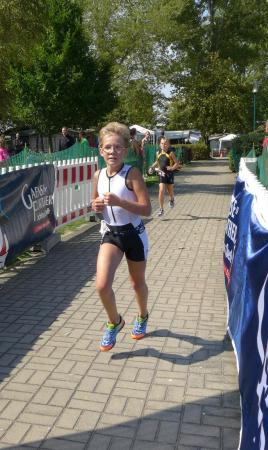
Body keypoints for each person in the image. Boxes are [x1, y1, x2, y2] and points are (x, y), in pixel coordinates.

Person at [90, 122, 152, 351]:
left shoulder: (132, 173)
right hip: (111, 234)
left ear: (125, 151)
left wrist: (120, 202)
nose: (112, 152)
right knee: (101, 285)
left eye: (117, 147)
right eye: (108, 147)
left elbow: (147, 209)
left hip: (133, 234)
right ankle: (114, 321)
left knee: (137, 283)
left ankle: (142, 315)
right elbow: (95, 204)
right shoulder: (98, 175)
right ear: (101, 151)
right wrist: (95, 205)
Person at [148, 137, 179, 216]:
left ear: (168, 145)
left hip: (169, 174)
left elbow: (177, 163)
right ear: (159, 144)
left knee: (170, 191)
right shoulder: (158, 152)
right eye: (162, 143)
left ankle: (172, 199)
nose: (163, 145)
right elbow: (157, 161)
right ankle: (161, 209)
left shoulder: (170, 153)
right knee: (161, 190)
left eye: (165, 144)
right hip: (161, 174)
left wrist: (172, 168)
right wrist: (151, 167)